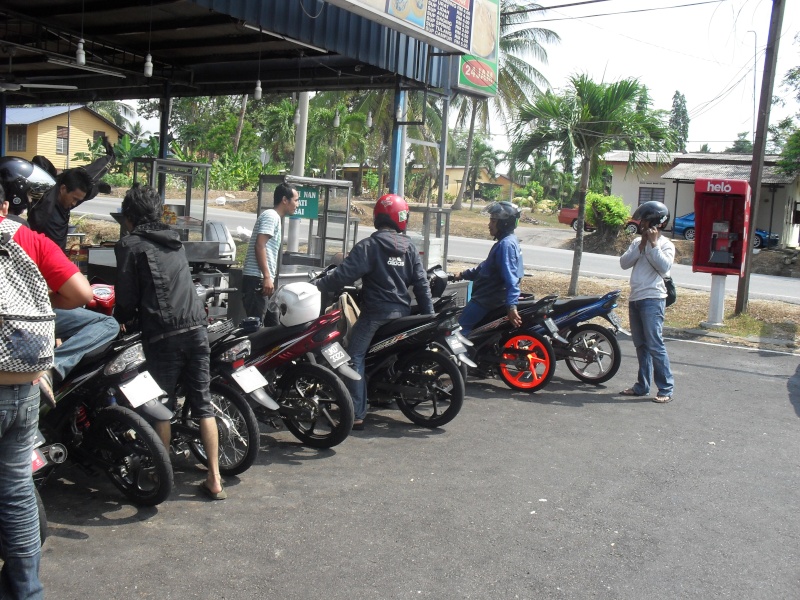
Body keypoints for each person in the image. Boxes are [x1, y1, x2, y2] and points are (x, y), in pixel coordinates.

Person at [0, 187, 94, 600]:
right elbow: (81, 295)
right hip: (24, 384)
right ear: (5, 206)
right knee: (17, 489)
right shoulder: (28, 239)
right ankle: (27, 592)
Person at [114, 184, 225, 499]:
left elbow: (126, 299)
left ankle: (161, 476)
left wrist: (120, 318)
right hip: (198, 329)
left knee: (162, 405)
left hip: (164, 335)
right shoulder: (174, 241)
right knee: (203, 404)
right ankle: (215, 479)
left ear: (131, 216)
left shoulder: (130, 245)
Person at [313, 193, 434, 430]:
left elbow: (342, 276)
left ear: (379, 216)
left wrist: (317, 286)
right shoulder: (409, 247)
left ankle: (356, 413)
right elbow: (421, 284)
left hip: (376, 314)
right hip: (403, 313)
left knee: (352, 356)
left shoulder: (369, 246)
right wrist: (428, 317)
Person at [619, 200, 675, 404]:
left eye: (644, 220)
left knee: (655, 344)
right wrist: (640, 246)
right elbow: (624, 263)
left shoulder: (666, 245)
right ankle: (642, 386)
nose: (641, 224)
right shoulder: (636, 243)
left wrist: (652, 245)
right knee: (641, 345)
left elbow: (664, 268)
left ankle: (666, 388)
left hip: (653, 299)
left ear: (655, 222)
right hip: (635, 298)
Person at [452, 201, 524, 336]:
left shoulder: (505, 245)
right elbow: (485, 268)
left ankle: (461, 357)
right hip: (492, 297)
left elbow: (512, 278)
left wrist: (512, 305)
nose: (489, 224)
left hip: (487, 299)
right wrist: (462, 274)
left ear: (504, 223)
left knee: (458, 330)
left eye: (493, 221)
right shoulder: (509, 241)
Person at [241, 183, 299, 326]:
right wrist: (266, 276)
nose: (297, 204)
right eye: (296, 200)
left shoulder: (275, 217)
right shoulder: (271, 216)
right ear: (285, 200)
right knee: (257, 329)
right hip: (257, 280)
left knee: (272, 327)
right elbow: (260, 245)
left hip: (263, 280)